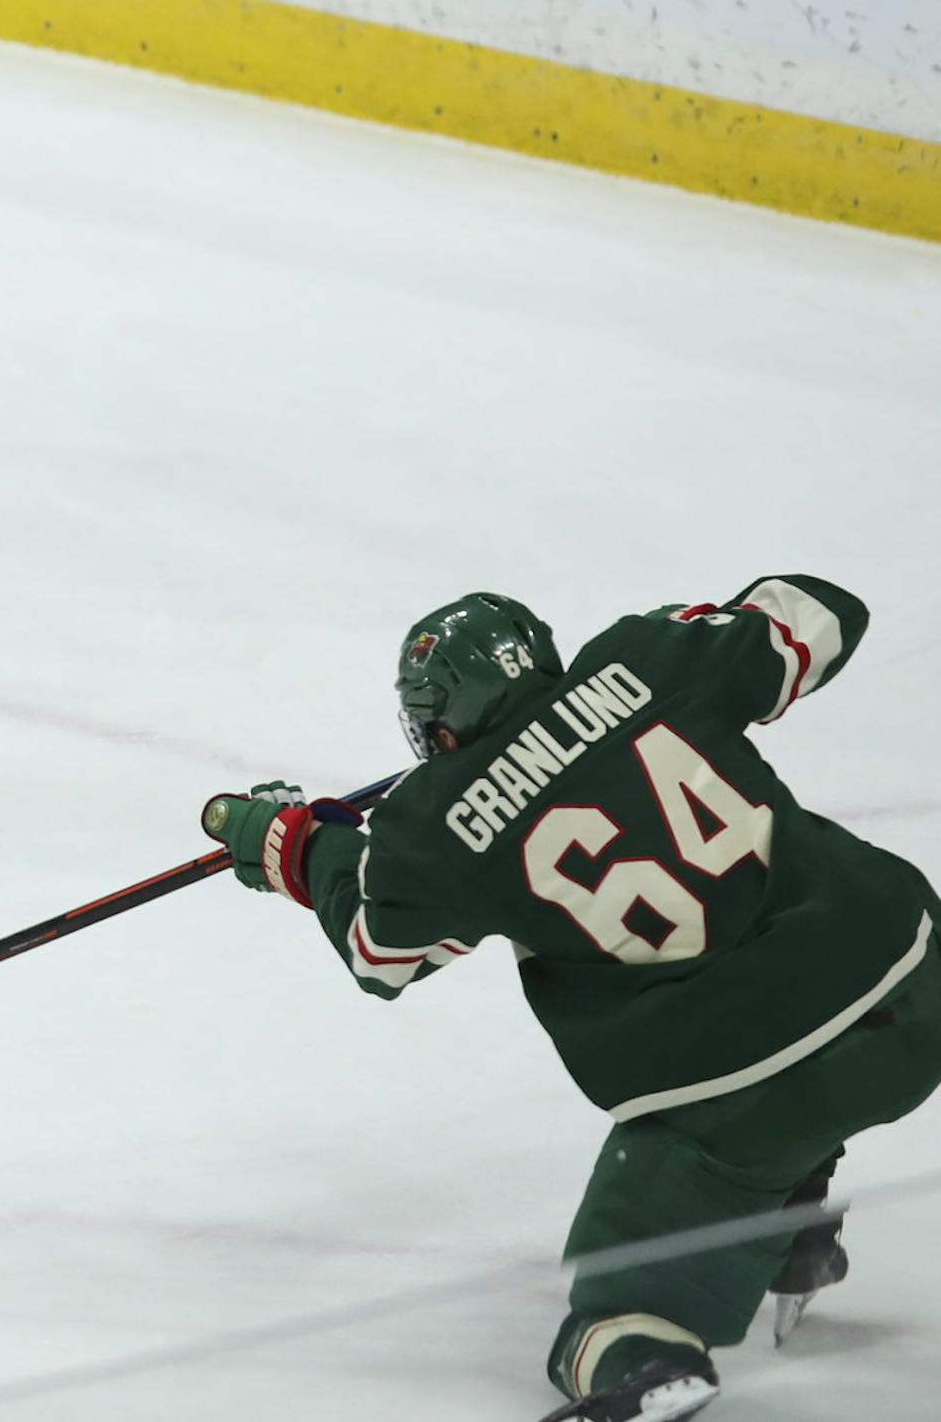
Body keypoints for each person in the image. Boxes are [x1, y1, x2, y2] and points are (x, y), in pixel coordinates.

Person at [200, 579, 941, 1421]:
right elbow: (825, 613)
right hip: (913, 972)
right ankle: (792, 1231)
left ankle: (650, 1357)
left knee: (625, 1316)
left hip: (746, 1089)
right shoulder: (648, 660)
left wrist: (297, 845)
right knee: (809, 1029)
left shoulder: (435, 826)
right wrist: (704, 637)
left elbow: (383, 950)